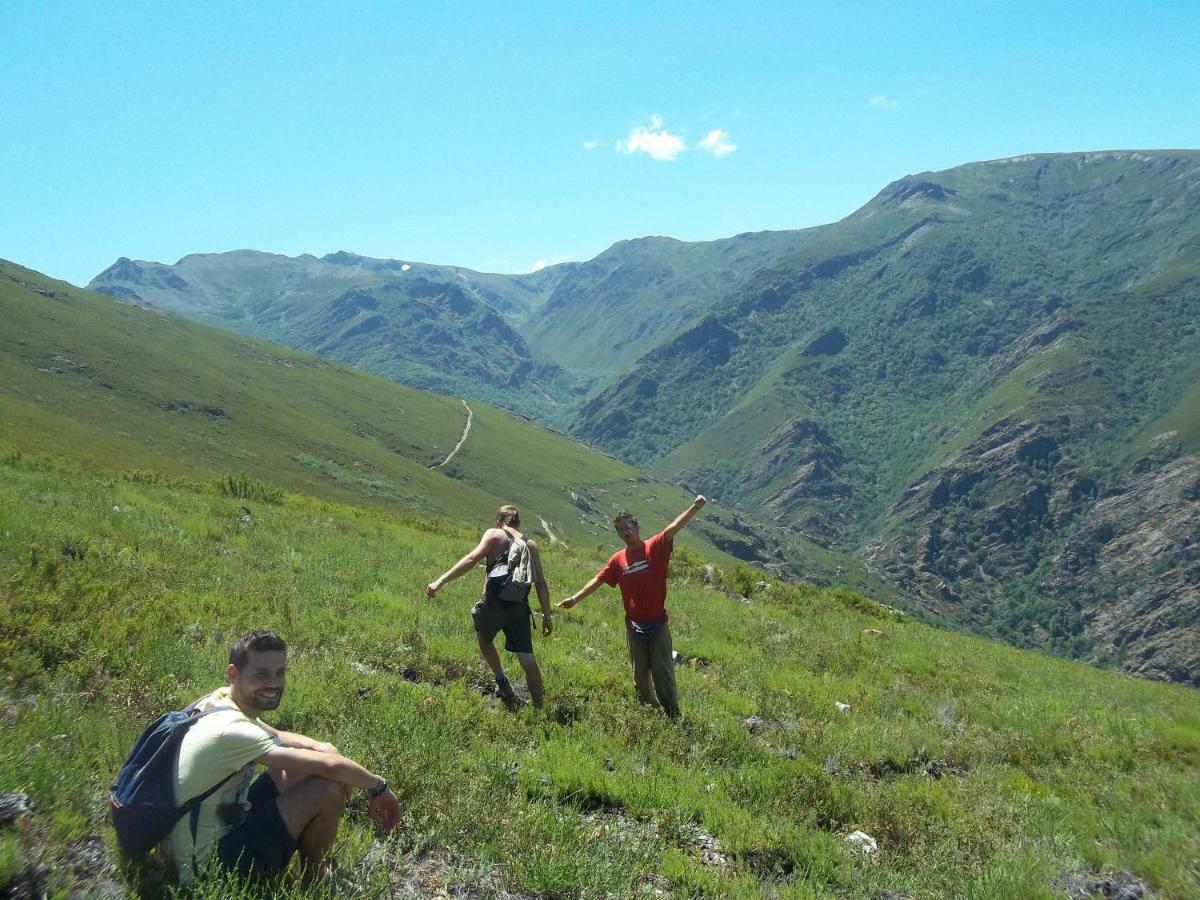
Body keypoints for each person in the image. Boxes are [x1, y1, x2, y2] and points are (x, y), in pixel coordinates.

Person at [160, 630, 401, 887]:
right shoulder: (231, 730)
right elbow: (330, 768)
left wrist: (325, 747)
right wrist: (379, 788)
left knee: (307, 769)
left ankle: (310, 865)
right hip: (206, 869)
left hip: (207, 832)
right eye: (261, 674)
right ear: (234, 673)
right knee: (327, 789)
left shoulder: (219, 700)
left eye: (279, 672)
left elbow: (278, 735)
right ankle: (313, 878)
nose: (274, 683)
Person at [557, 496, 707, 718]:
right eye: (619, 529)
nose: (624, 532)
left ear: (637, 527)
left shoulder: (654, 546)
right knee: (640, 679)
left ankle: (673, 716)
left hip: (658, 625)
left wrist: (695, 507)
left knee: (663, 674)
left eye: (627, 527)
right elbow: (598, 580)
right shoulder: (618, 559)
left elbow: (674, 527)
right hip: (634, 628)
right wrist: (575, 599)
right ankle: (650, 715)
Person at [426, 505, 553, 708]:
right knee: (527, 658)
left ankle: (501, 680)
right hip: (519, 607)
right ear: (518, 523)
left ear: (498, 521)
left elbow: (472, 558)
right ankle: (539, 707)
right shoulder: (531, 545)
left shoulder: (494, 534)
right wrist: (547, 617)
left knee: (484, 639)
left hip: (492, 604)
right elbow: (541, 584)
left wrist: (440, 581)